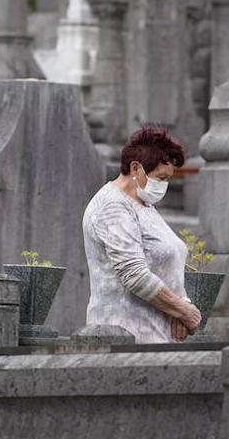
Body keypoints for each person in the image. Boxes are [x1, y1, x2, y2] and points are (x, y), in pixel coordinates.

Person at [83, 125, 203, 342]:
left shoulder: (143, 203)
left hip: (156, 337)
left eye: (167, 179)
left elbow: (166, 261)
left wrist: (180, 305)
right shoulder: (112, 206)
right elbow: (134, 274)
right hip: (125, 339)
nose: (163, 185)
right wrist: (183, 311)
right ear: (136, 168)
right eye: (161, 177)